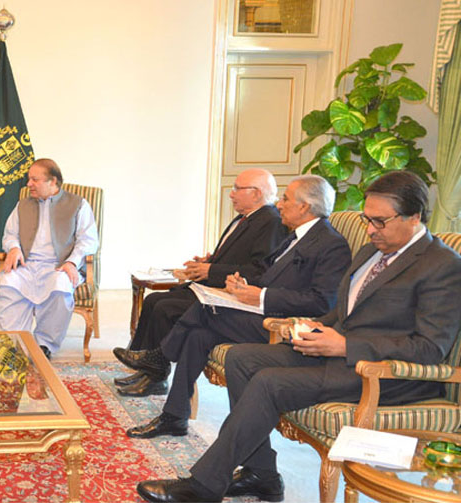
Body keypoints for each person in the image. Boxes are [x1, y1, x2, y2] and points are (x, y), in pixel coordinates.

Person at [136, 171, 461, 503]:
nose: (370, 229)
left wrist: (345, 345)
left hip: (380, 372)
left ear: (415, 217)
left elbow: (430, 347)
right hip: (334, 351)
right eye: (367, 220)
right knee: (241, 358)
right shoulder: (371, 251)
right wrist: (312, 328)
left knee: (268, 382)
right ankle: (261, 476)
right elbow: (342, 310)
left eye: (380, 222)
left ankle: (203, 487)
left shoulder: (441, 265)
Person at [125, 175, 351, 439]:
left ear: (305, 206)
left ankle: (159, 357)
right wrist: (241, 286)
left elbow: (323, 301)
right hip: (260, 312)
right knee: (197, 335)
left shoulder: (330, 244)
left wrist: (262, 296)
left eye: (286, 199)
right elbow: (266, 274)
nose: (278, 204)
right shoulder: (295, 237)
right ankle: (174, 416)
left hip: (282, 324)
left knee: (204, 308)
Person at [113, 168, 288, 395]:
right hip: (214, 284)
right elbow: (238, 256)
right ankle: (147, 370)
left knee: (166, 307)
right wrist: (210, 261)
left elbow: (258, 269)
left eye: (237, 188)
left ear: (256, 193)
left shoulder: (270, 221)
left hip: (227, 294)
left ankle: (154, 374)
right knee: (154, 300)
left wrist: (211, 269)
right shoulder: (247, 217)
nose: (231, 193)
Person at [0, 158, 99, 359]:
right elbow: (10, 234)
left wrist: (71, 262)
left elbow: (89, 240)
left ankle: (44, 345)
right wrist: (14, 248)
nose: (28, 184)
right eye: (28, 179)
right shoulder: (23, 205)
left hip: (58, 266)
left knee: (60, 287)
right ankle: (16, 344)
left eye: (35, 180)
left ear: (53, 182)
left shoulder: (78, 205)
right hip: (27, 264)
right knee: (8, 283)